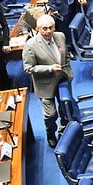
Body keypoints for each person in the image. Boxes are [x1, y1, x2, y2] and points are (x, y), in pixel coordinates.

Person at [22, 14, 72, 148]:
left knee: (65, 110)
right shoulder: (31, 45)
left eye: (51, 28)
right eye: (44, 29)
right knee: (51, 115)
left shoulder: (60, 36)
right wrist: (49, 68)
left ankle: (63, 131)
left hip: (62, 80)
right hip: (45, 84)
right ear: (38, 29)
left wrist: (69, 72)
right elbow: (28, 68)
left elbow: (65, 55)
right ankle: (50, 133)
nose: (48, 31)